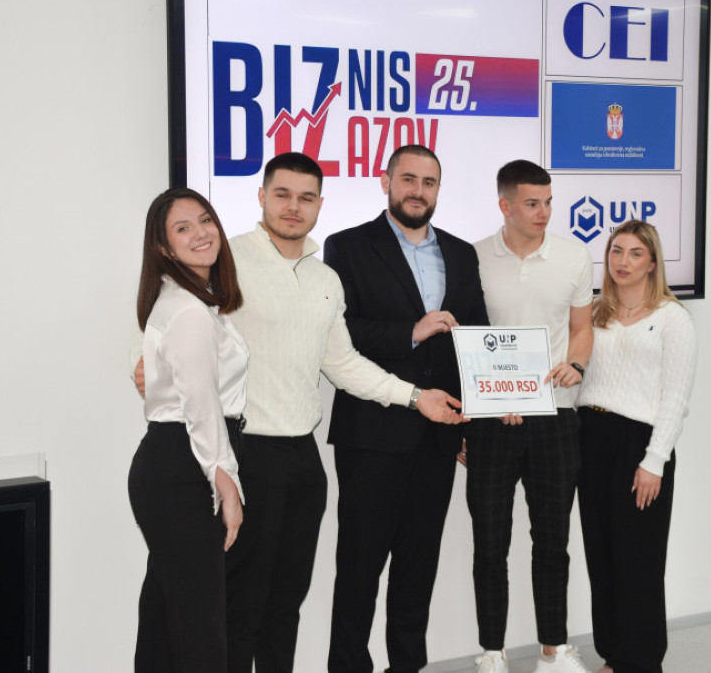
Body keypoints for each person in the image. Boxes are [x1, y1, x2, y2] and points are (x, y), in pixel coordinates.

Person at [133, 153, 467, 673]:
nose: (294, 206)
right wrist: (148, 366)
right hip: (245, 456)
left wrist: (413, 396)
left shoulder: (325, 278)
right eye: (283, 194)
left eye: (306, 197)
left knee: (285, 602)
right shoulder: (225, 260)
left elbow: (343, 363)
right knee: (237, 605)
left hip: (304, 462)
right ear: (261, 197)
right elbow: (175, 323)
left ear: (320, 205)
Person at [323, 145, 488, 673]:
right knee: (359, 571)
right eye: (409, 179)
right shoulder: (347, 246)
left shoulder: (461, 253)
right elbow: (340, 335)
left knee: (418, 571)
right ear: (386, 181)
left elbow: (476, 337)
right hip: (371, 436)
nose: (418, 191)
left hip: (439, 438)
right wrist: (411, 332)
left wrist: (477, 416)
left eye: (429, 182)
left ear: (439, 189)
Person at [469, 160, 594, 673]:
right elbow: (467, 340)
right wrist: (487, 401)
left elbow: (581, 328)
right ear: (505, 205)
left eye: (548, 202)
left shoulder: (574, 256)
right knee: (489, 543)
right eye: (531, 203)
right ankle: (492, 653)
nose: (544, 212)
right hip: (491, 423)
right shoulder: (474, 257)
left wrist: (576, 364)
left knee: (552, 543)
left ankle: (553, 651)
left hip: (555, 418)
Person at [129, 188, 246, 673]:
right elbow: (200, 404)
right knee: (200, 631)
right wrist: (227, 482)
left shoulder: (189, 301)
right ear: (163, 247)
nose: (201, 233)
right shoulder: (190, 310)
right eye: (183, 228)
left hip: (172, 462)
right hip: (185, 467)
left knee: (165, 620)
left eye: (205, 220)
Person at [576, 220, 697, 673]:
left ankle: (642, 662)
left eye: (634, 253)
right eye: (616, 251)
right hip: (590, 439)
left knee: (638, 560)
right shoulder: (594, 313)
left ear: (652, 263)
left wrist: (654, 461)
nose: (622, 261)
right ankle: (614, 656)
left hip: (638, 447)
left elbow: (676, 399)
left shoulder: (673, 318)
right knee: (602, 555)